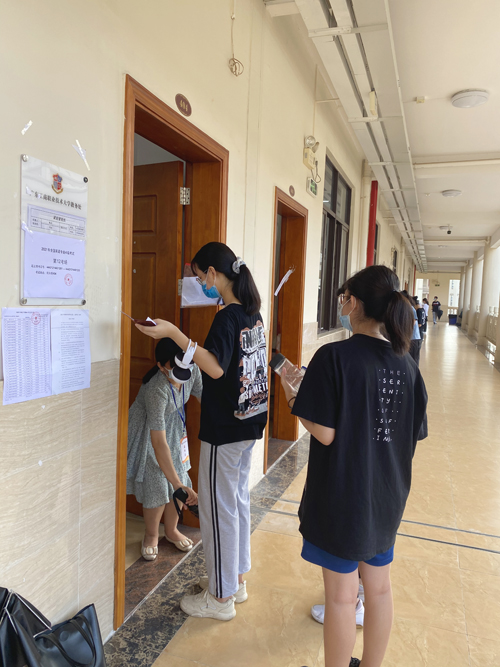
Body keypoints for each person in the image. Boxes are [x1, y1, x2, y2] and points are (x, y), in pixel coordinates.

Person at [281, 265, 427, 667]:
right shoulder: (407, 366)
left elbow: (325, 433)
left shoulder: (334, 357)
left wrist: (294, 398)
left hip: (343, 497)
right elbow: (410, 433)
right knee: (379, 590)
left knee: (342, 597)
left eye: (344, 298)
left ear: (355, 304)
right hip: (387, 495)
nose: (342, 305)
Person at [135, 242, 268, 621]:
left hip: (225, 430)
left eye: (199, 278)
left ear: (213, 273)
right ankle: (235, 581)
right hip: (249, 422)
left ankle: (220, 598)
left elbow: (214, 368)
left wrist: (175, 333)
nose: (201, 285)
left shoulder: (228, 318)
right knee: (235, 503)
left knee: (217, 510)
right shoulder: (252, 314)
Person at [127, 338, 201, 561]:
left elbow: (206, 397)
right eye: (173, 366)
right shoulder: (156, 389)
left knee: (180, 474)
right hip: (149, 432)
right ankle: (151, 535)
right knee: (158, 482)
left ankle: (171, 530)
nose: (181, 371)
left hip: (174, 427)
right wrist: (176, 484)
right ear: (161, 366)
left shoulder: (192, 371)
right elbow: (158, 442)